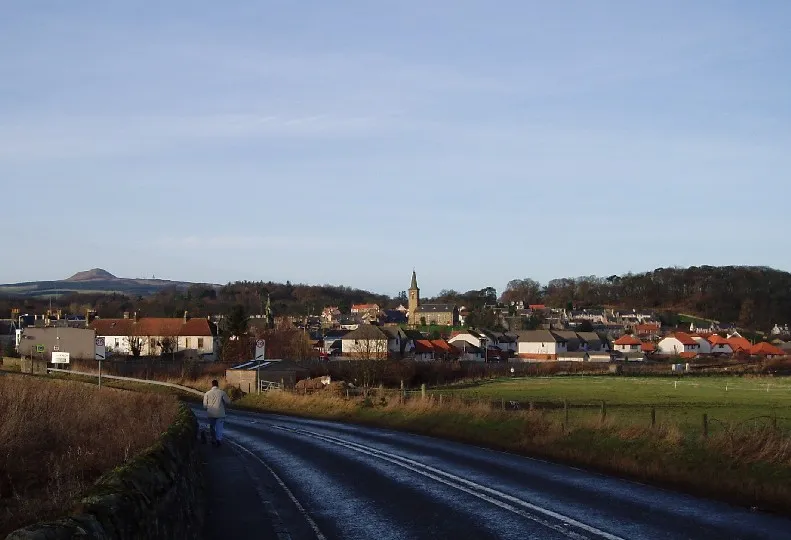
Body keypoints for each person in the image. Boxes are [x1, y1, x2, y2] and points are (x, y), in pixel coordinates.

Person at [203, 380, 231, 447]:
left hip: (211, 413)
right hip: (220, 413)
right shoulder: (222, 393)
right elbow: (228, 401)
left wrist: (208, 407)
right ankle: (218, 440)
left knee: (212, 427)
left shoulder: (207, 393)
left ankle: (213, 439)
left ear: (212, 385)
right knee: (219, 428)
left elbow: (204, 406)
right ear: (217, 385)